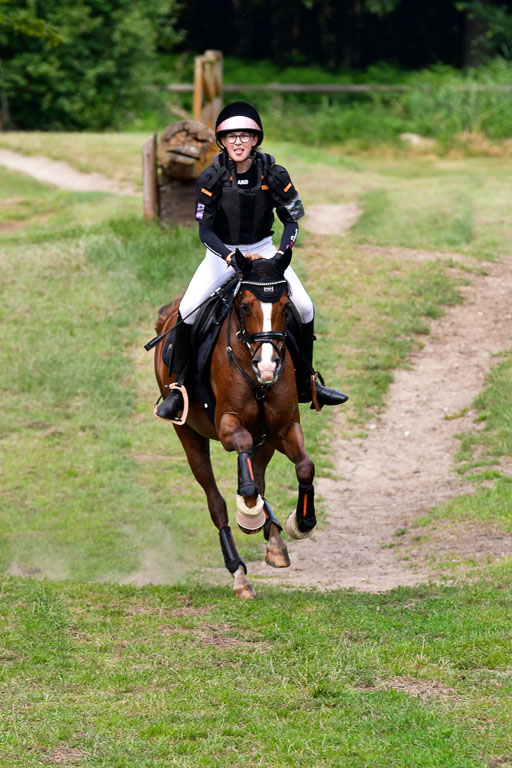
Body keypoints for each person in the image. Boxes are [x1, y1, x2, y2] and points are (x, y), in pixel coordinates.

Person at [156, 101, 347, 421]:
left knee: (304, 306)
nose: (239, 142)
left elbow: (292, 220)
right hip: (223, 254)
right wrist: (230, 256)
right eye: (231, 137)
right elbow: (204, 229)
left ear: (256, 139)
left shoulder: (275, 174)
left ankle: (306, 380)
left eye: (245, 136)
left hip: (265, 249)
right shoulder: (210, 177)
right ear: (221, 141)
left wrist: (282, 253)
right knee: (188, 311)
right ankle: (180, 389)